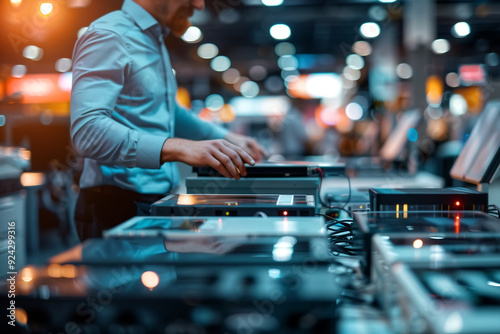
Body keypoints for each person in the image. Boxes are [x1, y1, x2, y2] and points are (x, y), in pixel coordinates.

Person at [70, 0, 266, 241]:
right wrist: (179, 147)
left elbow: (168, 111)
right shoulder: (110, 35)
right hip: (115, 208)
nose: (200, 5)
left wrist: (227, 138)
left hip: (154, 203)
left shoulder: (154, 39)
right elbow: (88, 131)